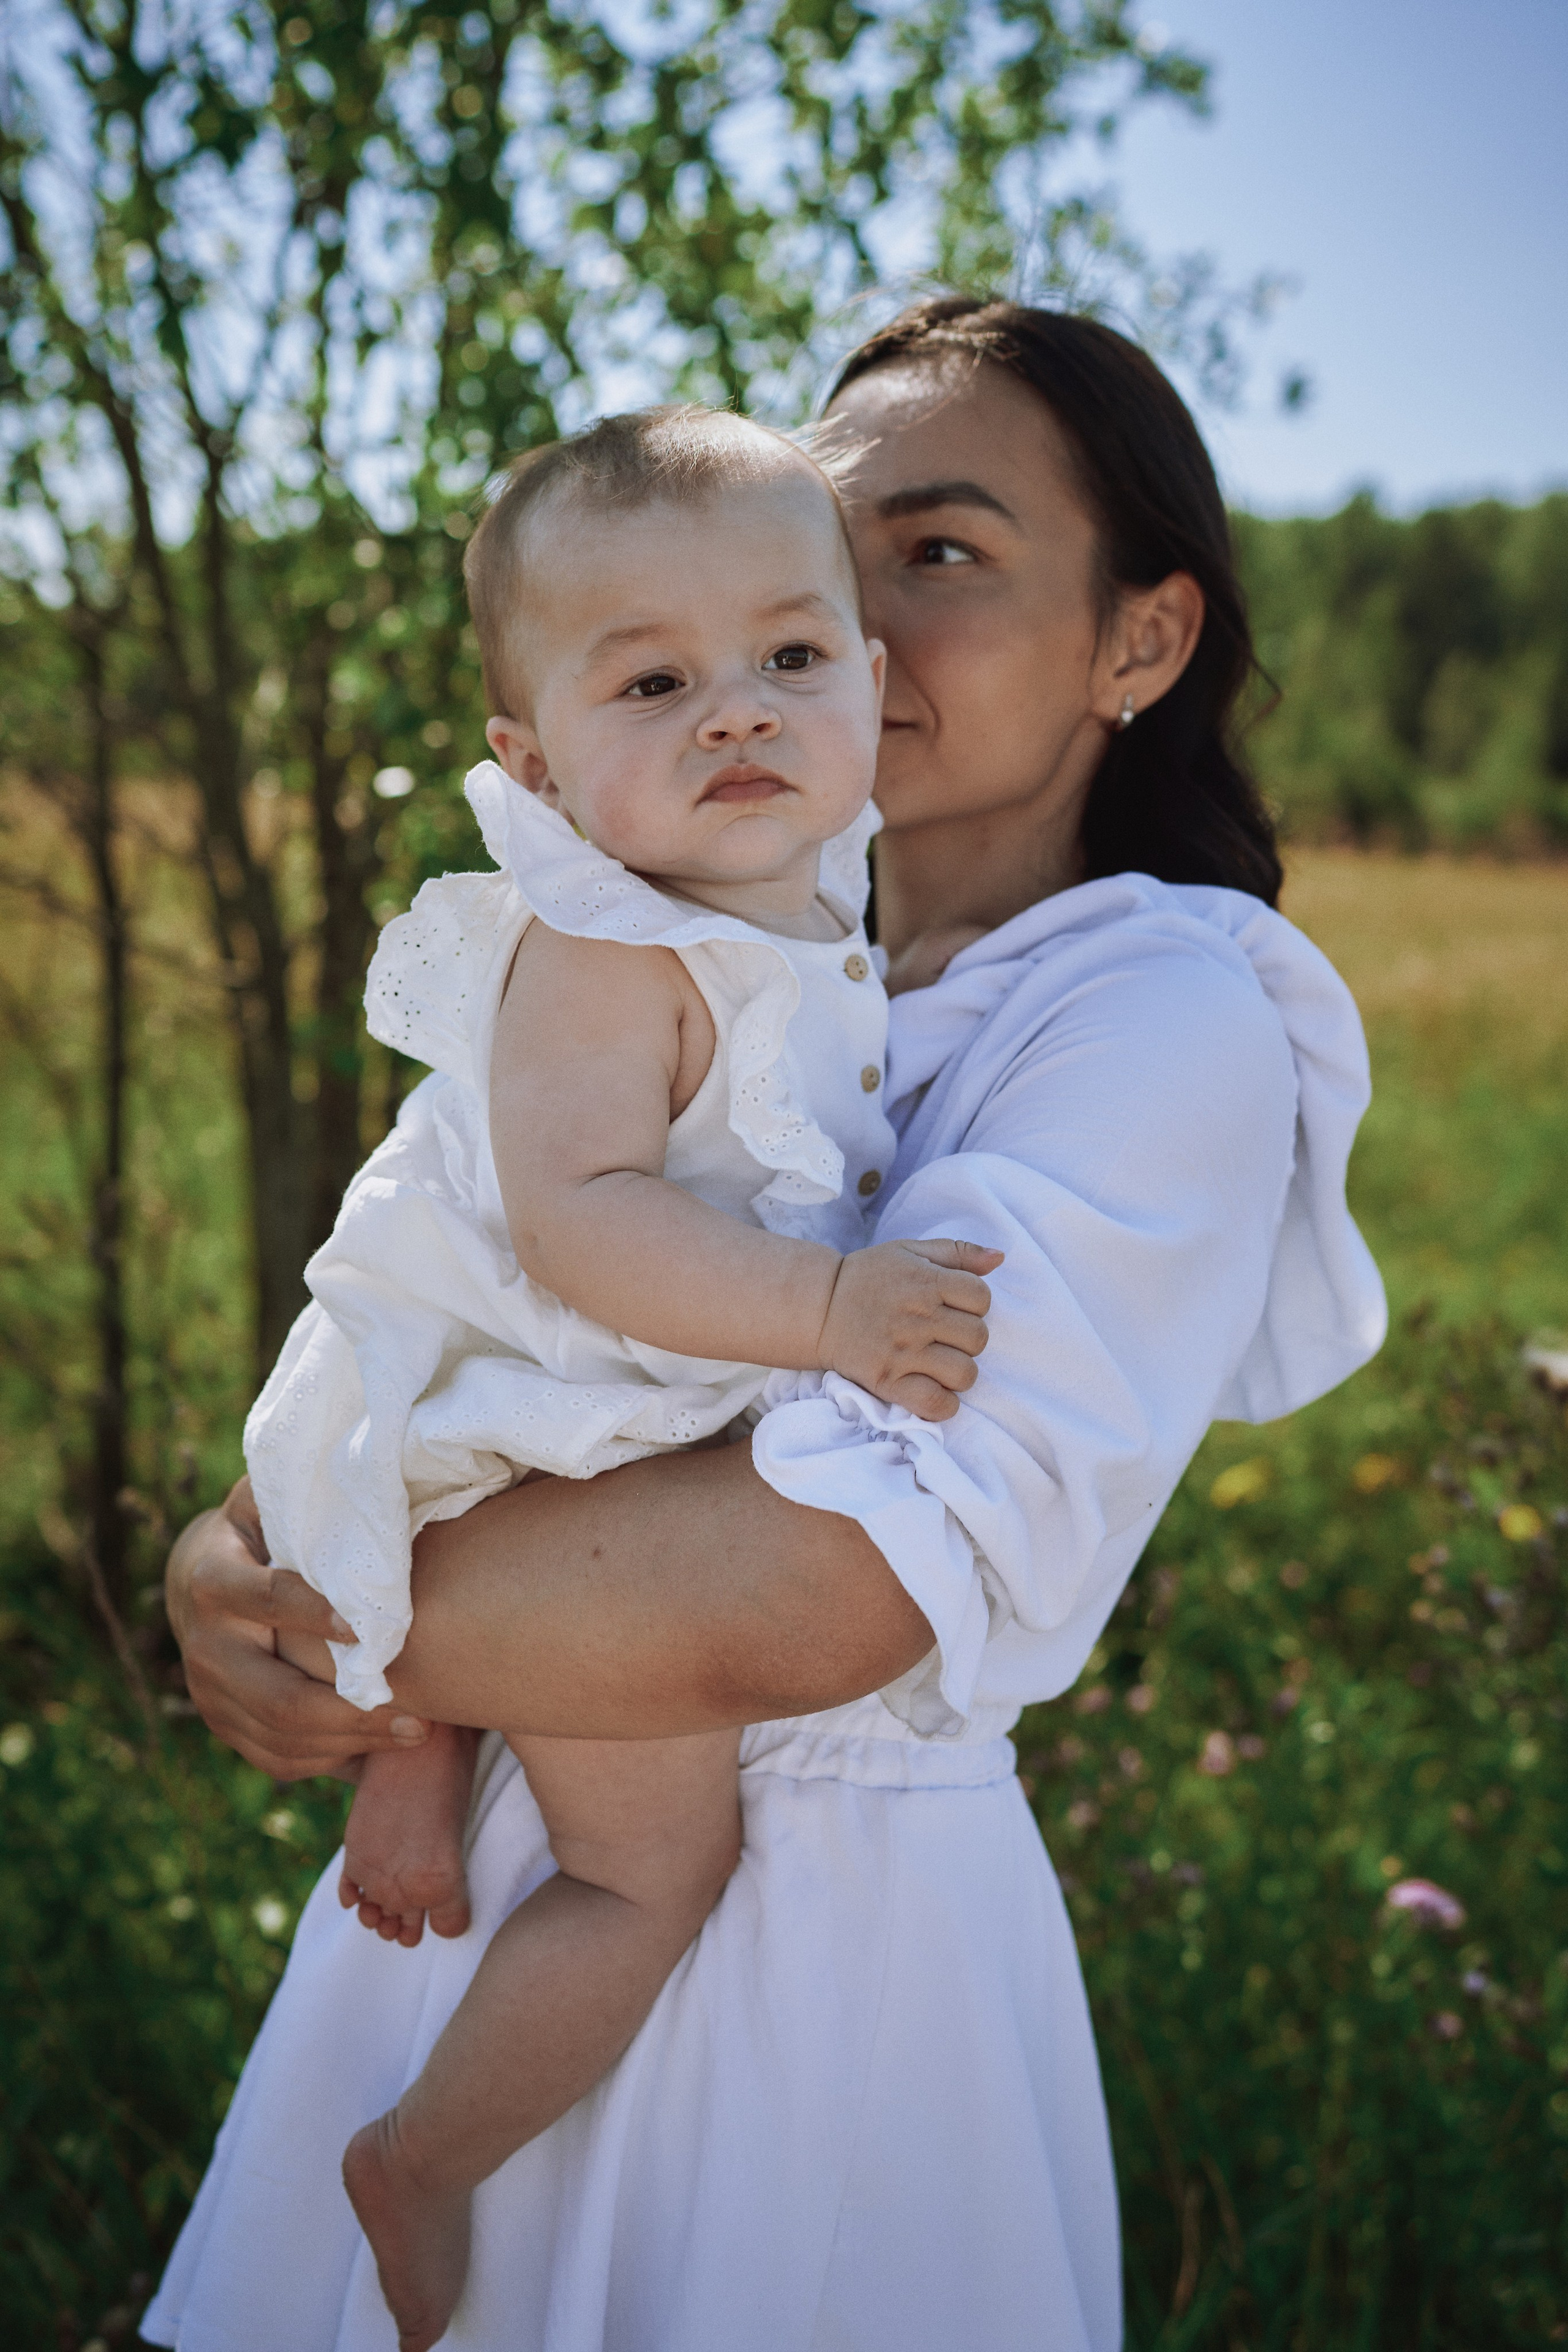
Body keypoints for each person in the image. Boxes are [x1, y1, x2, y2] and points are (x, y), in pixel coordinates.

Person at [143, 296, 1386, 2352]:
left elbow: (814, 1597)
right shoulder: (709, 948)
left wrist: (318, 1593)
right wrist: (245, 1553)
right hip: (501, 1874)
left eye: (947, 556)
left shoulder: (1158, 1011)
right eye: (836, 546)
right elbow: (490, 1332)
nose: (858, 636)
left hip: (815, 1946)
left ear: (1140, 646)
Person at [243, 402, 998, 2345]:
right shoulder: (604, 945)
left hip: (572, 1424)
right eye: (654, 680)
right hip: (543, 1420)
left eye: (791, 657)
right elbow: (580, 1229)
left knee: (553, 1581)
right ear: (534, 764)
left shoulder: (802, 909)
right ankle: (421, 2157)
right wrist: (833, 1317)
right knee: (653, 1871)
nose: (737, 712)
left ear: (867, 680)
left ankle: (423, 1757)